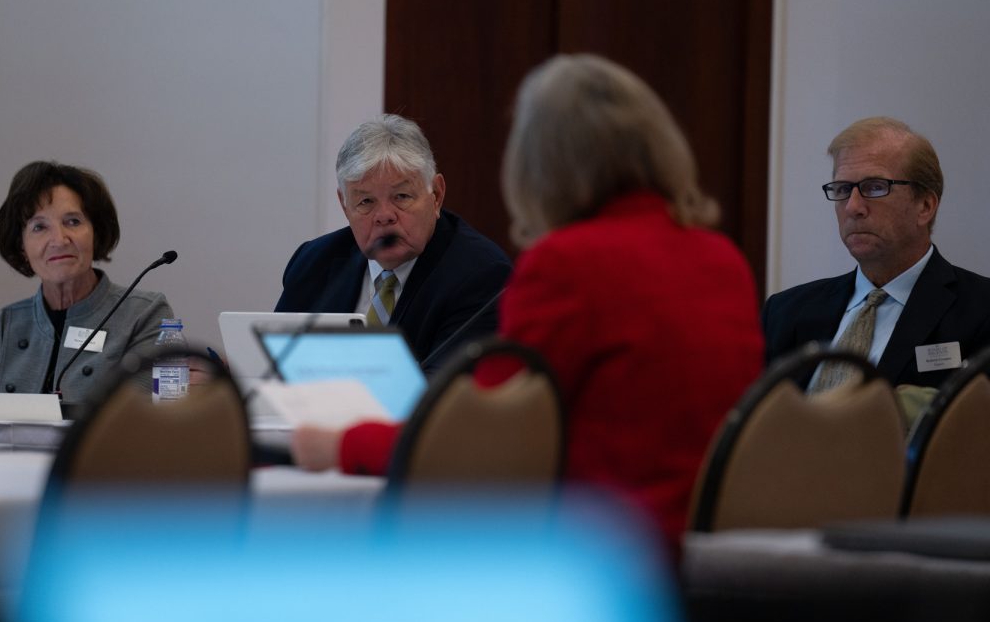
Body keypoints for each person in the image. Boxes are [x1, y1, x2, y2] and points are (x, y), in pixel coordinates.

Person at [292, 55, 765, 550]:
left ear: (538, 167)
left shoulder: (568, 264)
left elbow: (483, 441)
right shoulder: (722, 258)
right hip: (711, 556)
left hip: (602, 555)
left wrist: (342, 444)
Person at [762, 117, 990, 391]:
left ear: (925, 206)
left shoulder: (980, 310)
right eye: (843, 189)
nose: (852, 207)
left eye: (874, 187)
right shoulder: (786, 312)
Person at [275, 114, 511, 374]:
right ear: (345, 205)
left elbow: (445, 396)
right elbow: (273, 368)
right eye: (366, 202)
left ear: (437, 196)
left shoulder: (481, 275)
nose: (384, 215)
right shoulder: (313, 262)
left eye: (401, 196)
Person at [0, 161, 174, 401]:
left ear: (96, 233)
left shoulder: (144, 314)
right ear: (21, 245)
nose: (59, 239)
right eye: (39, 227)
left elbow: (140, 418)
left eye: (73, 222)